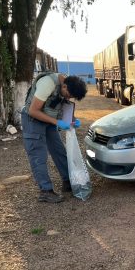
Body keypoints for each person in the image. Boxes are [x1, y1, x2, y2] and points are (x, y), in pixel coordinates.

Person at [21, 73, 87, 203]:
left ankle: (68, 181)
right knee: (38, 155)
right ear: (64, 86)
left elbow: (62, 107)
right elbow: (33, 111)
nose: (68, 98)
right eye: (68, 95)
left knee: (59, 150)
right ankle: (45, 191)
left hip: (48, 119)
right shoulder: (47, 83)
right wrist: (57, 122)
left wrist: (72, 120)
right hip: (32, 119)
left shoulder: (67, 84)